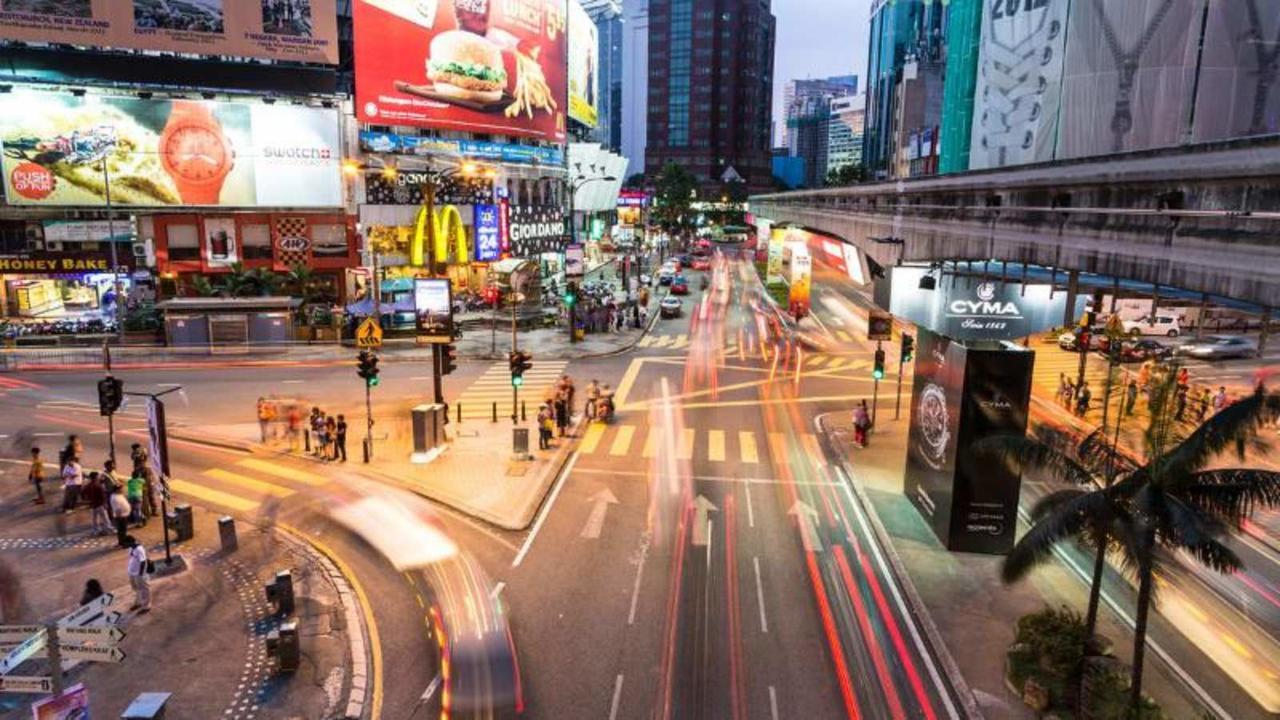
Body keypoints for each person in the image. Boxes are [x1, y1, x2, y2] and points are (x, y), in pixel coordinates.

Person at [125, 535, 151, 612]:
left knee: (144, 589)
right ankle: (138, 602)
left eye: (126, 543)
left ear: (130, 542)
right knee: (136, 589)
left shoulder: (139, 549)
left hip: (139, 574)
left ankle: (146, 606)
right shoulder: (131, 548)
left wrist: (141, 574)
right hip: (132, 572)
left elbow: (143, 562)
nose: (125, 545)